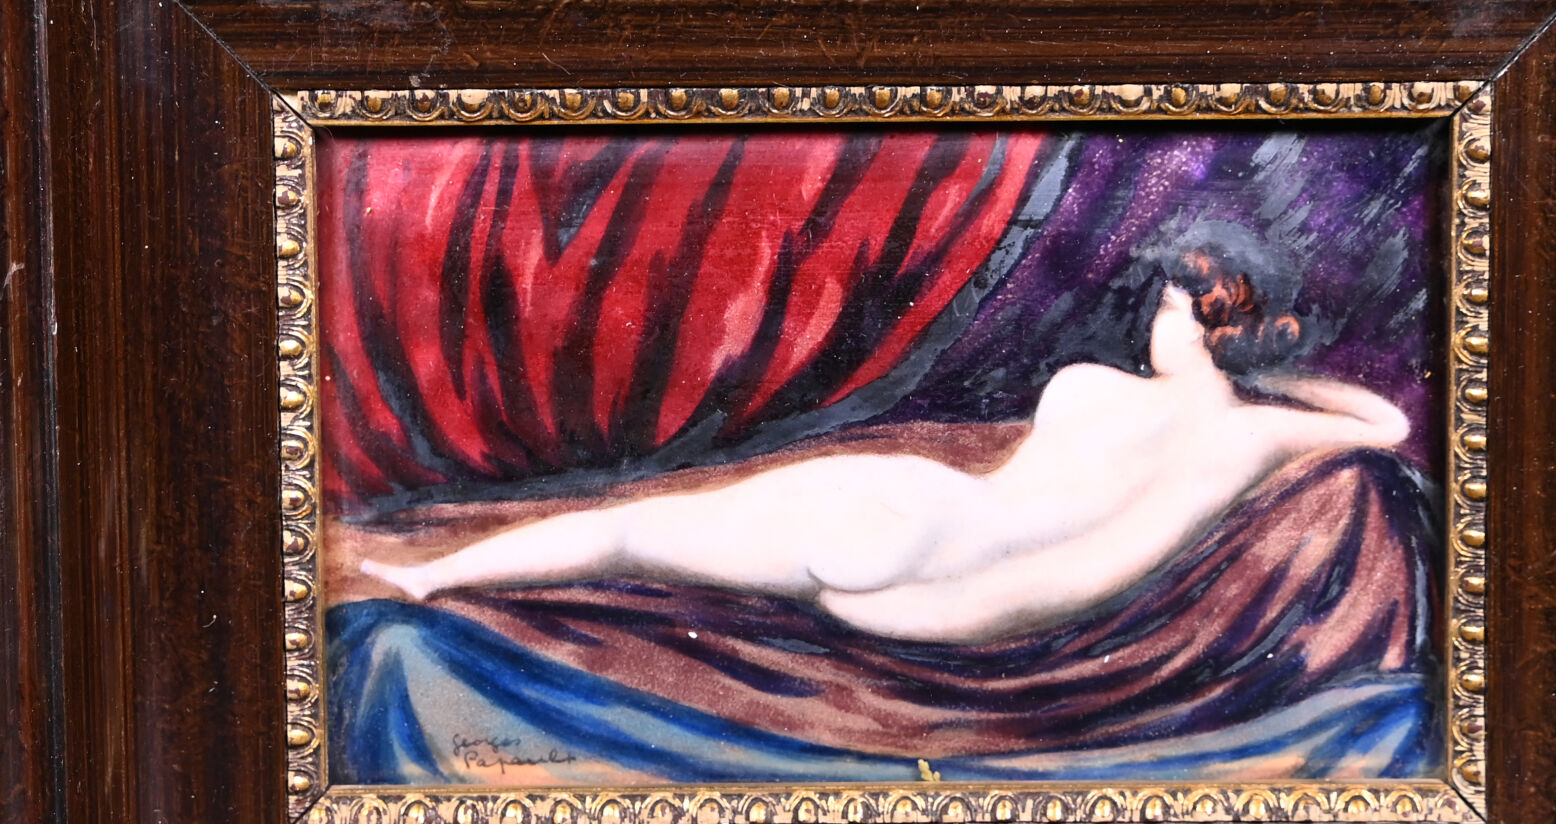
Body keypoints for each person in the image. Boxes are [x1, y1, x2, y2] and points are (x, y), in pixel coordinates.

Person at [361, 231, 1410, 645]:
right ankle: (431, 577)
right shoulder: (1249, 437)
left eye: (1174, 306)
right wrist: (916, 615)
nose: (1157, 320)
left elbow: (1086, 564)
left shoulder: (1107, 391)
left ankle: (432, 576)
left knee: (642, 530)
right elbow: (1385, 423)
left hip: (914, 509)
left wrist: (917, 612)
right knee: (645, 533)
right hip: (927, 542)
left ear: (1210, 324)